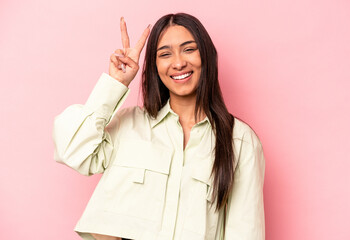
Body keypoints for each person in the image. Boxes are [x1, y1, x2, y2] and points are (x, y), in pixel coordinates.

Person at [53, 13, 265, 240]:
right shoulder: (129, 125)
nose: (178, 62)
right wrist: (116, 83)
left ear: (207, 55)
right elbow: (73, 150)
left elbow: (245, 232)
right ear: (155, 66)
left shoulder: (240, 141)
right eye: (165, 54)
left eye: (189, 49)